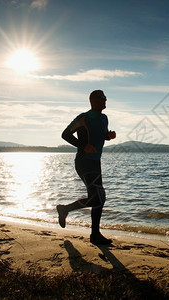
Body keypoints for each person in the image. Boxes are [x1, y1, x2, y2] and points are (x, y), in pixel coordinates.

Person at [57, 90, 116, 245]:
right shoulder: (83, 118)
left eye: (105, 98)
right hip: (84, 162)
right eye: (103, 98)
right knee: (99, 197)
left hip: (95, 162)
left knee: (98, 198)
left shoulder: (104, 118)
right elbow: (65, 134)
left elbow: (100, 135)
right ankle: (93, 233)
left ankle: (68, 212)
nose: (106, 100)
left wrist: (108, 136)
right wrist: (83, 146)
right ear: (93, 100)